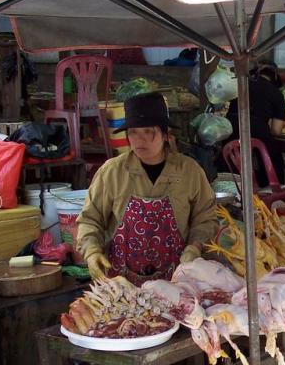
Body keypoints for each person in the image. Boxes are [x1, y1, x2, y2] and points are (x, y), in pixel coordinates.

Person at [77, 92, 218, 285]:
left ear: (165, 134)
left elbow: (205, 217)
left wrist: (194, 247)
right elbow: (90, 219)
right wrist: (92, 251)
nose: (139, 139)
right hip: (121, 283)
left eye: (148, 131)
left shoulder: (189, 171)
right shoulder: (112, 172)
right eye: (133, 132)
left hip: (178, 282)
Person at [226, 63, 285, 186]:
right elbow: (276, 130)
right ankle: (271, 189)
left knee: (232, 162)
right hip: (256, 131)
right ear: (275, 78)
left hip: (230, 130)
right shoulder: (276, 93)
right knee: (273, 159)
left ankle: (233, 186)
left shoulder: (240, 85)